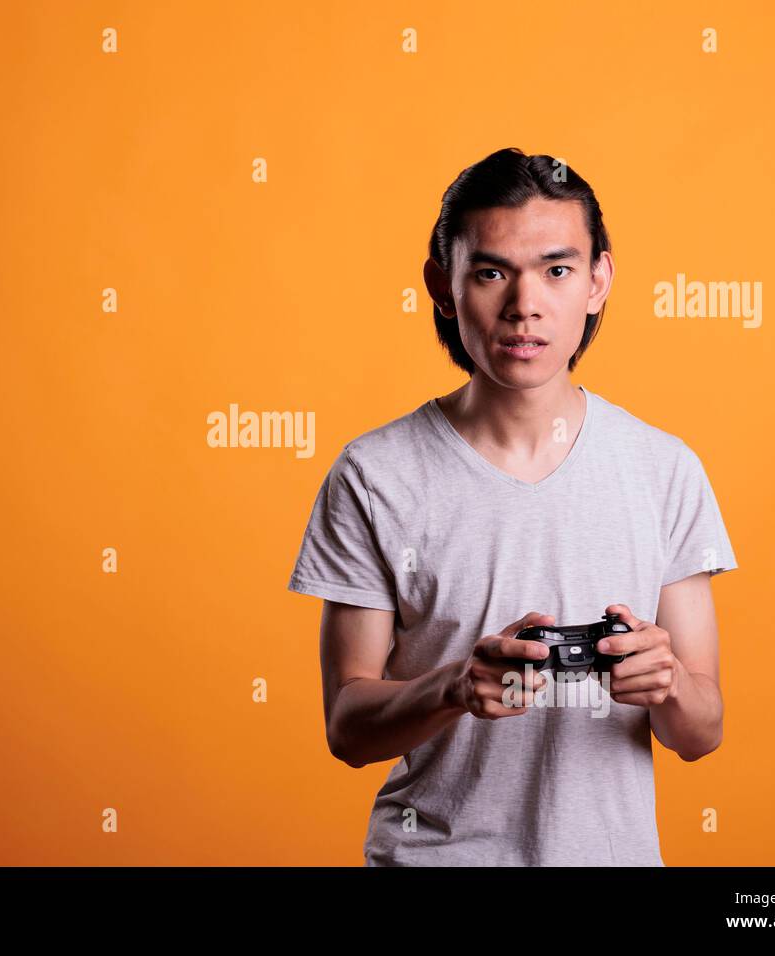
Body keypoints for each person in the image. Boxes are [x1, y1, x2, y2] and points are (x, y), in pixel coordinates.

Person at [287, 148, 738, 866]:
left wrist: (668, 683)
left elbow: (701, 731)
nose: (525, 304)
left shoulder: (664, 469)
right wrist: (454, 686)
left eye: (557, 270)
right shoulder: (374, 475)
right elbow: (347, 728)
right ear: (443, 286)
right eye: (492, 271)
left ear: (598, 280)